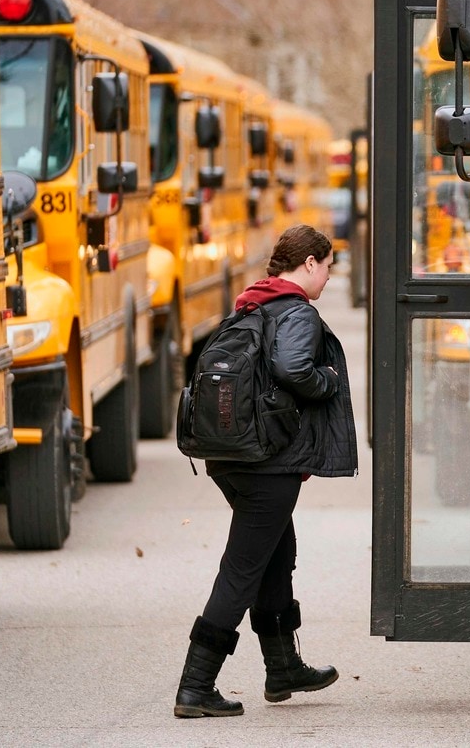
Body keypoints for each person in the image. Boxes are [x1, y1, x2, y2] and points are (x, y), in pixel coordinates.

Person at [174, 224, 358, 719]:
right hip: (267, 465)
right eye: (328, 266)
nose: (327, 277)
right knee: (242, 569)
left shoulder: (250, 304)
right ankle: (196, 686)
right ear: (311, 263)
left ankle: (283, 669)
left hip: (232, 459)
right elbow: (292, 369)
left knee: (277, 553)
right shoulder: (297, 311)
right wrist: (328, 380)